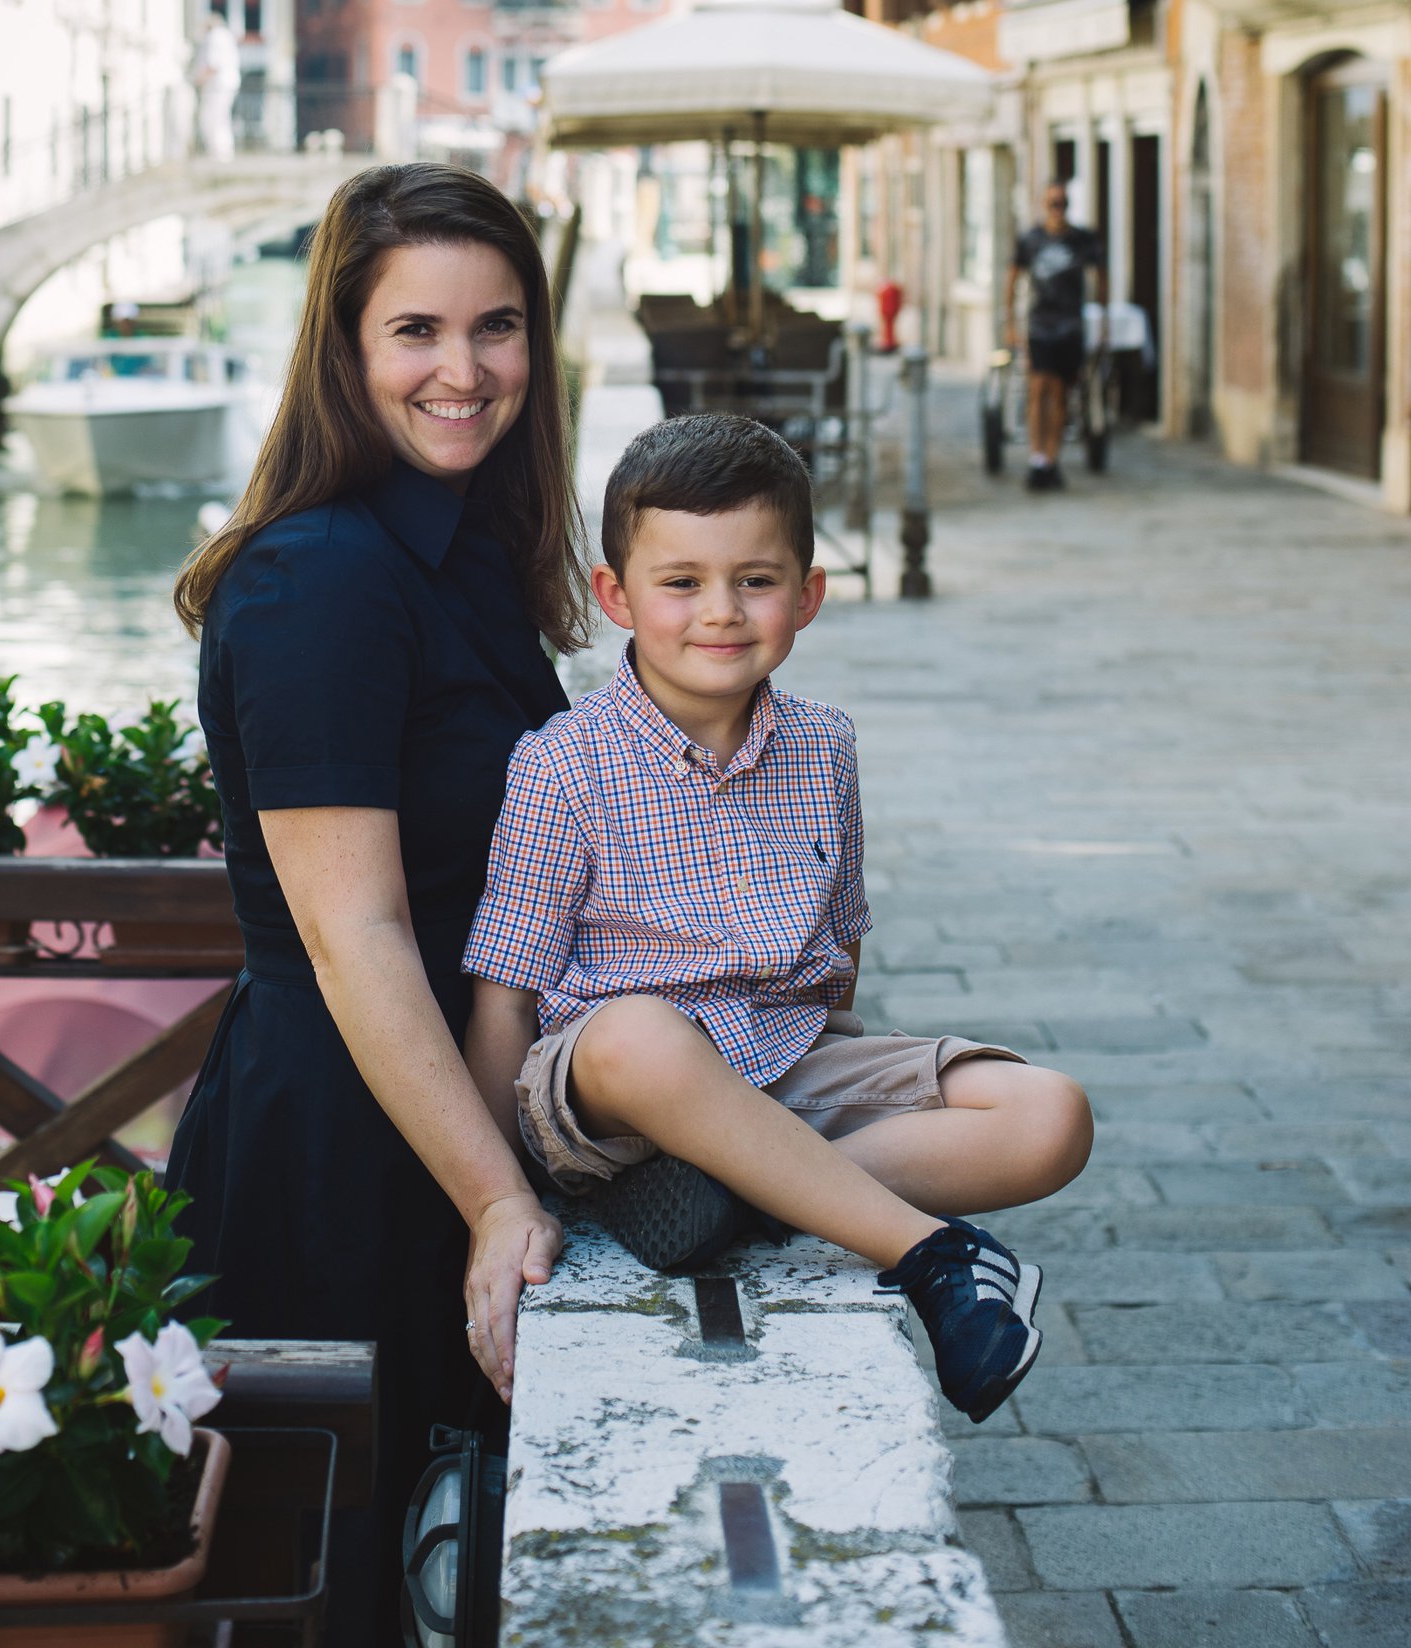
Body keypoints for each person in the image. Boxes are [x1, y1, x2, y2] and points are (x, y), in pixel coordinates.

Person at [462, 413, 1093, 1426]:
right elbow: (504, 988)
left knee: (1049, 1115)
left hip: (784, 1063)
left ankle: (743, 1190)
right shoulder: (561, 765)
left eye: (755, 580)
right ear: (616, 595)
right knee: (640, 1036)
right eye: (682, 583)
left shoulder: (826, 749)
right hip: (608, 1098)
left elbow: (837, 960)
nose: (721, 611)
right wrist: (498, 1196)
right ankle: (930, 1255)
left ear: (807, 595)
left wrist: (875, 1080)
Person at [166, 162, 590, 1633]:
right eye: (416, 331)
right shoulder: (319, 582)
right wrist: (492, 1198)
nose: (465, 371)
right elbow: (357, 934)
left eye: (499, 328)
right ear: (344, 350)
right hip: (343, 1140)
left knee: (438, 1564)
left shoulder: (467, 551)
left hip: (451, 1099)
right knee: (339, 1587)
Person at [1005, 179, 1106, 491]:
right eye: (1052, 204)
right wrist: (1009, 322)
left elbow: (1101, 276)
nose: (1057, 210)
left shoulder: (1082, 240)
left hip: (1071, 324)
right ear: (1043, 205)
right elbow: (1012, 279)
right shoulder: (1030, 240)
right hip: (1040, 323)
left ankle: (1052, 458)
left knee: (1061, 392)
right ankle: (1036, 458)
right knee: (1038, 387)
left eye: (1062, 203)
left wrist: (1103, 318)